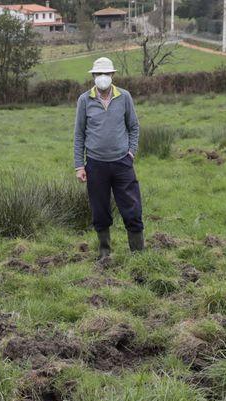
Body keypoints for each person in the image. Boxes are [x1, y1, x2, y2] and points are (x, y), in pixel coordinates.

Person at [73, 57, 143, 259]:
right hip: (95, 165)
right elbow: (79, 134)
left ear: (112, 75)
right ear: (93, 77)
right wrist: (79, 166)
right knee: (100, 210)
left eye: (106, 74)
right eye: (98, 74)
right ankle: (105, 254)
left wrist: (131, 153)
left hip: (122, 163)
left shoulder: (125, 97)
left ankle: (138, 254)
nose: (102, 78)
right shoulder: (84, 100)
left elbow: (134, 127)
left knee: (132, 208)